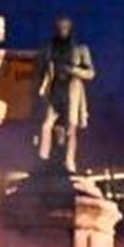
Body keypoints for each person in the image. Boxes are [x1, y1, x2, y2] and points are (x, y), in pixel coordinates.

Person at [35, 15, 95, 172]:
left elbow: (91, 73)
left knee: (70, 129)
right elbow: (41, 70)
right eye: (60, 27)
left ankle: (69, 162)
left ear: (70, 29)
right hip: (54, 91)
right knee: (46, 125)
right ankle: (43, 158)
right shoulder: (49, 48)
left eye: (65, 28)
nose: (62, 30)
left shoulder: (80, 49)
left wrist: (72, 70)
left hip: (72, 92)